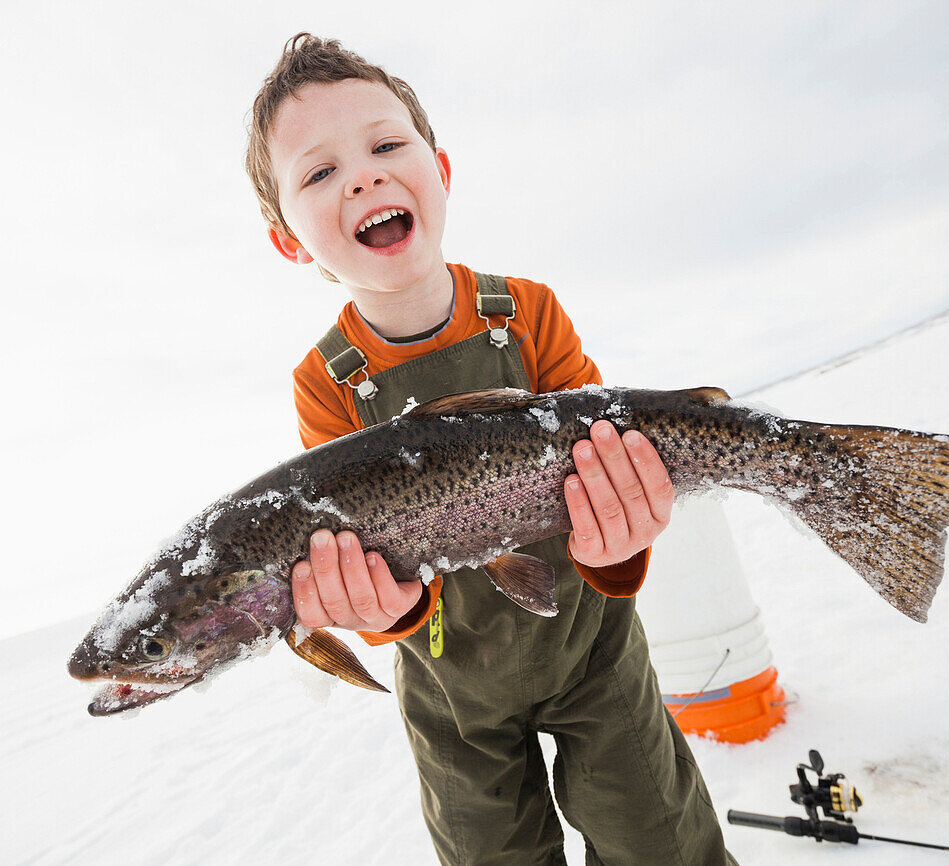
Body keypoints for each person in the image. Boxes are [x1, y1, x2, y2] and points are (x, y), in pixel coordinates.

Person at [245, 32, 736, 866]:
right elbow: (368, 574)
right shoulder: (326, 384)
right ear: (289, 239)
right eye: (320, 172)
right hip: (451, 692)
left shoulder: (529, 312)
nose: (363, 174)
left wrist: (620, 548)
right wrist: (380, 606)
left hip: (594, 652)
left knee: (662, 841)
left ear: (440, 168)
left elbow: (611, 485)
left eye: (385, 144)